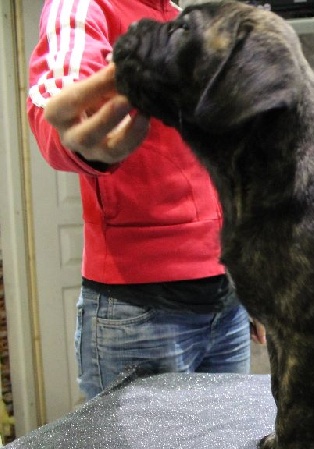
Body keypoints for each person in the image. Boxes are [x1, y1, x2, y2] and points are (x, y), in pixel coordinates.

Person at [27, 0, 265, 400]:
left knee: (228, 442)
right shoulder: (84, 5)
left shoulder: (180, 18)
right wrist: (82, 137)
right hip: (139, 315)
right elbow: (61, 93)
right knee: (138, 448)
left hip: (228, 304)